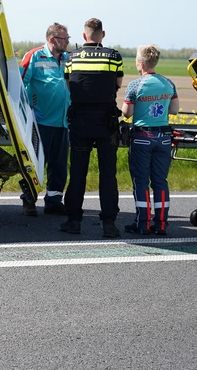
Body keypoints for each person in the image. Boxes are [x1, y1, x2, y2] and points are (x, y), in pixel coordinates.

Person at [60, 18, 124, 238]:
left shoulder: (71, 58)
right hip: (106, 122)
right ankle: (109, 224)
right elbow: (117, 84)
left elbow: (69, 85)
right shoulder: (114, 56)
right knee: (108, 174)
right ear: (102, 35)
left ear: (84, 36)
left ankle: (74, 221)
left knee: (78, 172)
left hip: (80, 122)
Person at [121, 45, 179, 235]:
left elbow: (126, 113)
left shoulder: (135, 85)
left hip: (142, 138)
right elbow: (174, 110)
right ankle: (161, 223)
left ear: (140, 63)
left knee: (141, 182)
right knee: (160, 181)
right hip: (163, 138)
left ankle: (142, 223)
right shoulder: (168, 83)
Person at [19, 23, 71, 216]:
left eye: (67, 38)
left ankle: (54, 201)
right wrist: (28, 111)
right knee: (35, 163)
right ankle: (29, 199)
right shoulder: (34, 56)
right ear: (52, 39)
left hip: (63, 122)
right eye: (64, 39)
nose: (67, 42)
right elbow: (18, 85)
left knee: (59, 165)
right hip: (40, 122)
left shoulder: (69, 58)